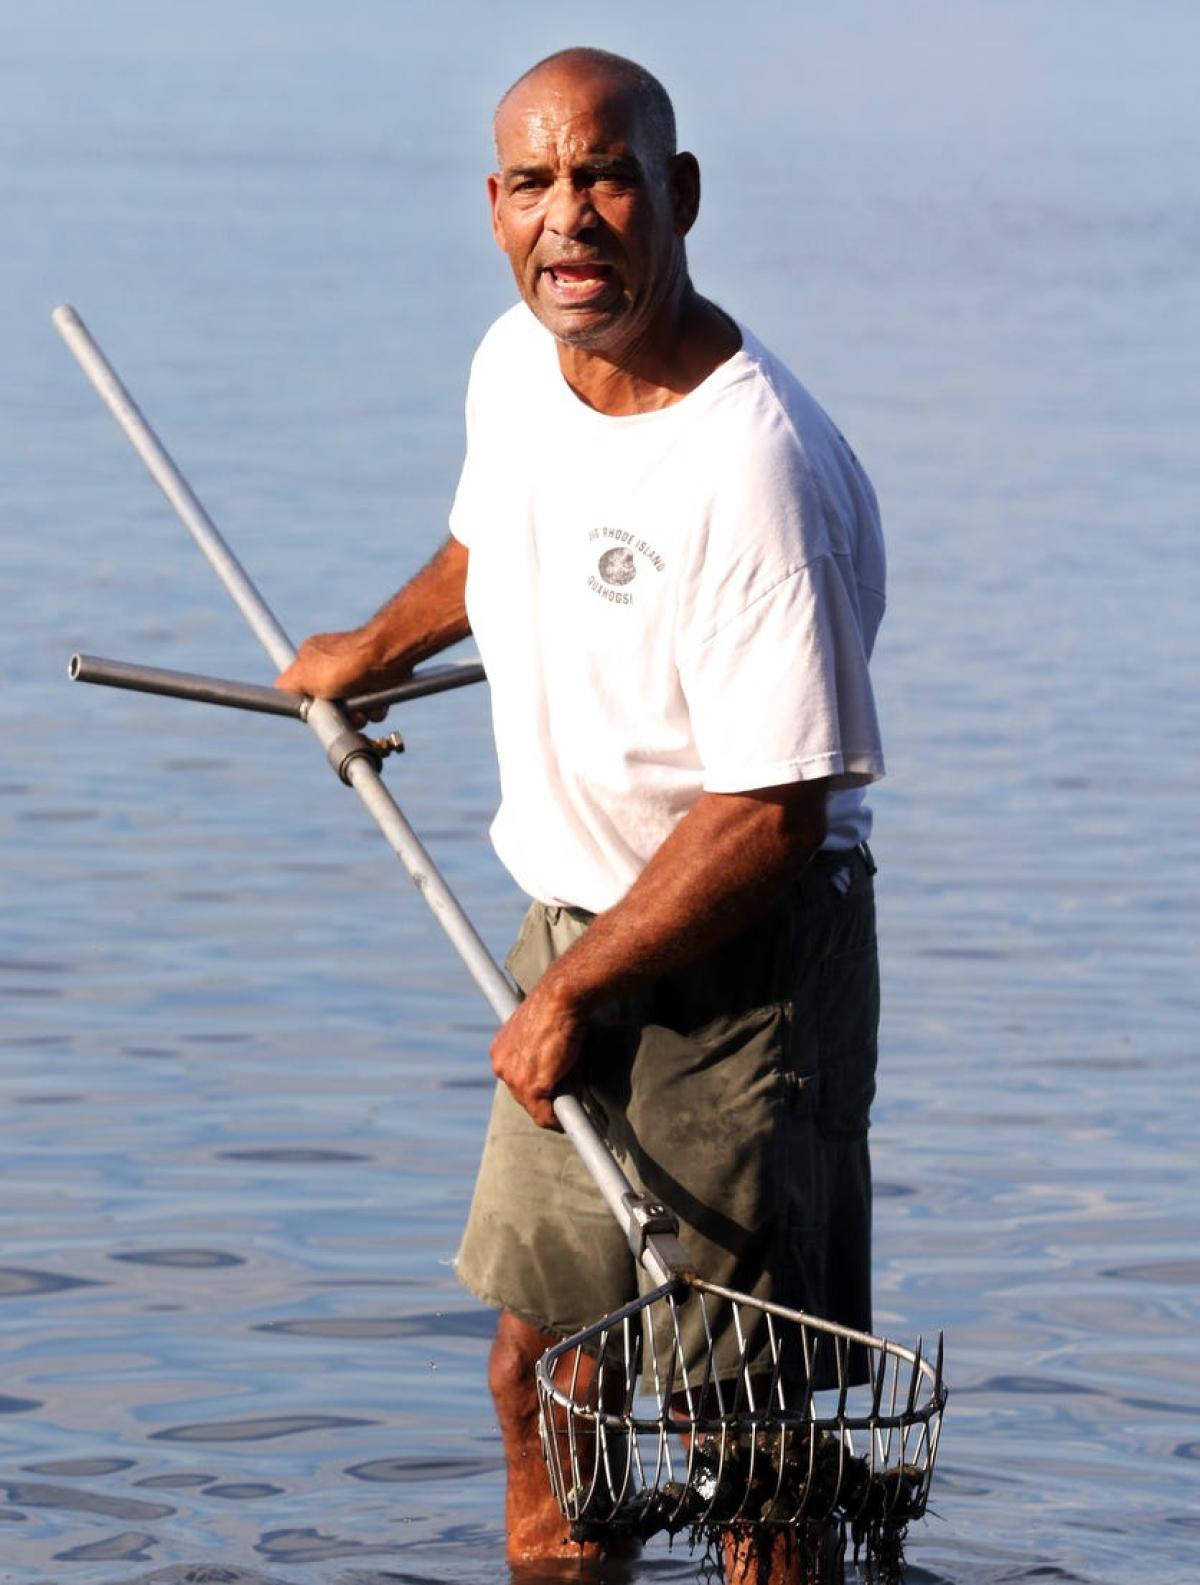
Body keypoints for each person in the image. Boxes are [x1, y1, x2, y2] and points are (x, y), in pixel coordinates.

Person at [277, 47, 885, 1584]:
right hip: (574, 924)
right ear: (495, 208)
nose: (574, 218)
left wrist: (569, 990)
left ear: (677, 196)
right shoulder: (513, 362)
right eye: (538, 183)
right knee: (544, 1377)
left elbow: (772, 812)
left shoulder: (753, 467)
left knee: (740, 1431)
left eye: (607, 176)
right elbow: (498, 539)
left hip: (746, 968)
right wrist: (372, 647)